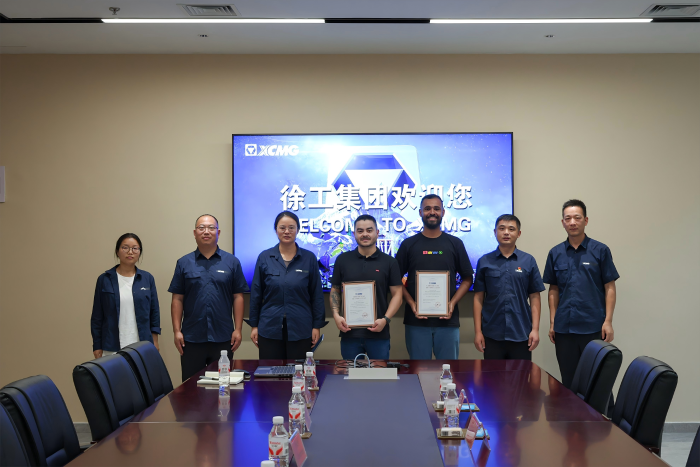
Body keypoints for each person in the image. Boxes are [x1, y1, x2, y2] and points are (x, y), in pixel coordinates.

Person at [543, 200, 620, 388]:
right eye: (568, 218)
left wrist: (608, 321)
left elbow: (610, 287)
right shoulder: (555, 253)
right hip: (564, 329)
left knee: (597, 383)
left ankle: (601, 411)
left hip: (593, 327)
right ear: (563, 222)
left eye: (577, 218)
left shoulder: (600, 250)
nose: (572, 222)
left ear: (585, 220)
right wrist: (553, 322)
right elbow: (553, 289)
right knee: (569, 383)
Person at [169, 214, 249, 382]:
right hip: (191, 337)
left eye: (211, 228)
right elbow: (177, 299)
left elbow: (238, 297)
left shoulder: (232, 262)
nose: (206, 231)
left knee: (223, 385)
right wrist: (177, 331)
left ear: (218, 232)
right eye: (201, 228)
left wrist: (238, 329)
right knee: (191, 387)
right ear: (195, 233)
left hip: (223, 337)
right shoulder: (183, 263)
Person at [395, 194, 474, 359]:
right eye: (427, 208)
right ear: (420, 212)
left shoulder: (455, 243)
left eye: (436, 208)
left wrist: (452, 303)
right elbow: (395, 280)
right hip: (416, 322)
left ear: (443, 212)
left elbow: (468, 278)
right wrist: (412, 303)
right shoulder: (408, 244)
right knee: (418, 371)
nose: (432, 212)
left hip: (448, 321)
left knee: (448, 370)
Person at [247, 211, 326, 359]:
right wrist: (254, 326)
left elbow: (316, 295)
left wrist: (316, 326)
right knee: (269, 370)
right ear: (276, 230)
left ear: (298, 230)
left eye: (291, 227)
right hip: (269, 327)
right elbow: (256, 294)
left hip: (301, 327)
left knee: (299, 370)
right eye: (282, 227)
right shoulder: (265, 257)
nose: (287, 231)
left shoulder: (309, 258)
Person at [330, 214, 403, 360]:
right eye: (360, 231)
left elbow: (398, 295)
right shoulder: (343, 260)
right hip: (349, 333)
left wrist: (385, 320)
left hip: (379, 333)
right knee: (351, 373)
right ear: (354, 234)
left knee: (379, 373)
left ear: (377, 233)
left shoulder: (389, 262)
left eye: (369, 230)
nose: (365, 234)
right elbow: (335, 290)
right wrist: (336, 316)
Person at [473, 214, 545, 360]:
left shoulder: (528, 260)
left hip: (521, 333)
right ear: (495, 232)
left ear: (519, 233)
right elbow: (478, 298)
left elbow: (535, 297)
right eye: (502, 228)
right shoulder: (484, 261)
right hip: (491, 334)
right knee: (492, 375)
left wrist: (535, 329)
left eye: (511, 229)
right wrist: (478, 332)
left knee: (521, 375)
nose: (506, 232)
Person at [91, 233, 160, 359]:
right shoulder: (104, 279)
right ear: (117, 251)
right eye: (125, 247)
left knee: (140, 372)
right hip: (111, 345)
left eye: (135, 248)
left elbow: (154, 313)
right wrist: (97, 345)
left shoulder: (147, 278)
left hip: (142, 344)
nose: (130, 252)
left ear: (139, 252)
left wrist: (155, 341)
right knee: (114, 372)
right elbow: (97, 316)